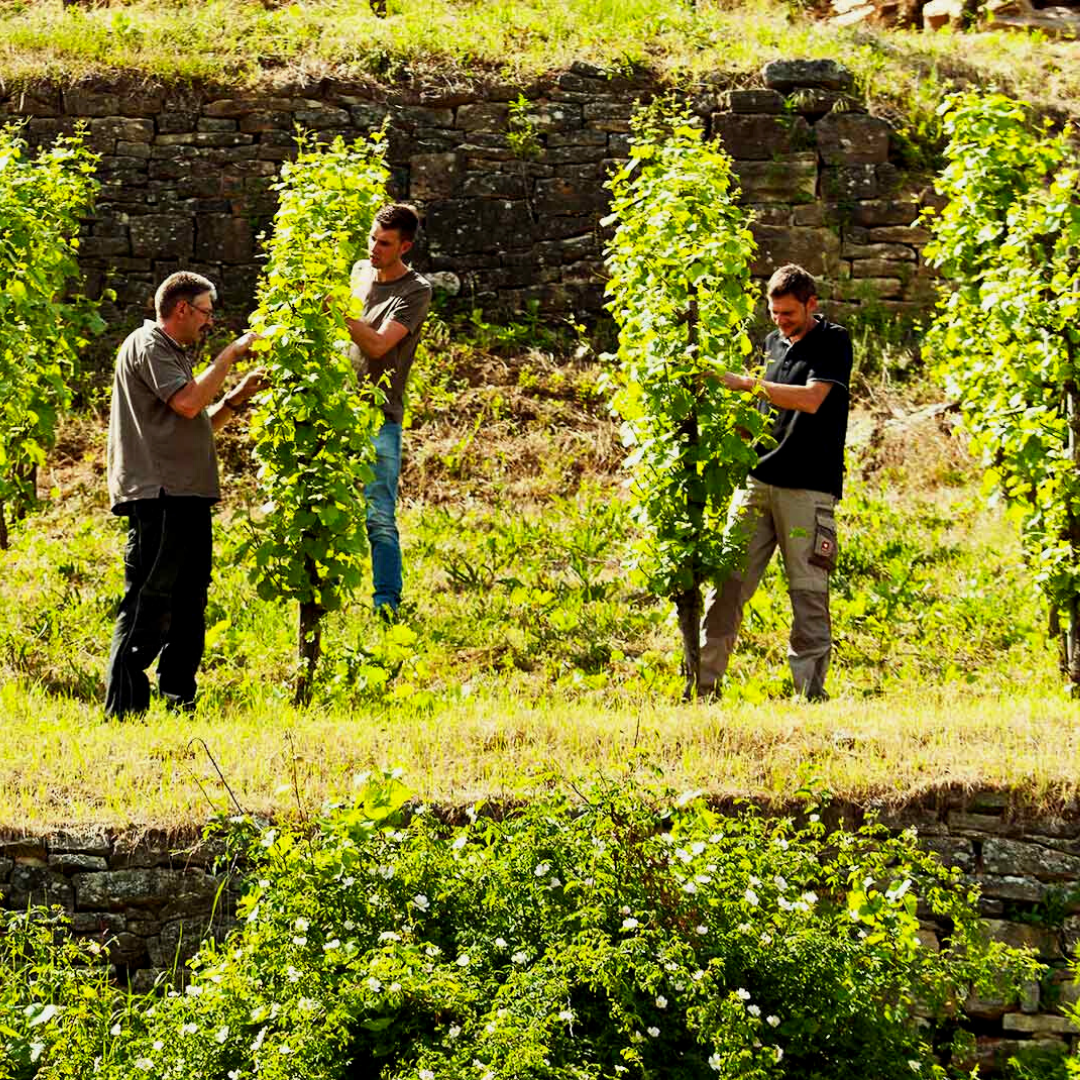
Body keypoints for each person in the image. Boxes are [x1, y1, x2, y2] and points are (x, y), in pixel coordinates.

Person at [104, 272, 265, 718]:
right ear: (181, 309)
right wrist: (229, 356)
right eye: (206, 313)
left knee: (189, 602)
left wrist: (235, 398)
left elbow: (197, 426)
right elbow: (188, 404)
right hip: (160, 494)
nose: (209, 323)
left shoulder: (171, 354)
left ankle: (179, 701)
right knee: (148, 600)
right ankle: (124, 710)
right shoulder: (150, 343)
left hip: (186, 495)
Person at [700, 264, 852, 701]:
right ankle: (705, 687)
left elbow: (809, 399)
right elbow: (766, 410)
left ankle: (808, 694)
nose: (780, 322)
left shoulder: (833, 342)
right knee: (727, 583)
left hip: (808, 488)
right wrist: (731, 433)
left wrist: (743, 385)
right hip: (758, 480)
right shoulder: (772, 343)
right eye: (774, 313)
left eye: (788, 313)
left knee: (807, 591)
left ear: (811, 304)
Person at [344, 203, 432, 619]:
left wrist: (337, 314)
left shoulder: (415, 291)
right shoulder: (361, 274)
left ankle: (386, 605)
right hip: (341, 411)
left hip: (379, 415)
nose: (375, 249)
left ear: (405, 246)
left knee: (378, 515)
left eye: (385, 243)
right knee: (330, 508)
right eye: (373, 239)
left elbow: (379, 345)